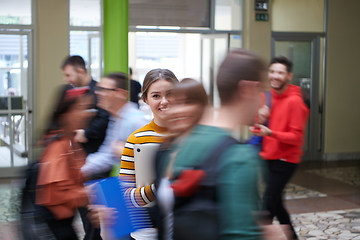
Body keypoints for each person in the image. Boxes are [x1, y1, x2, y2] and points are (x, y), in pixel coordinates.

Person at [155, 49, 266, 240]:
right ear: (248, 89)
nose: (263, 105)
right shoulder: (239, 157)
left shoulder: (183, 144)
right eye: (261, 92)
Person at [252, 56, 309, 240]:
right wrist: (259, 121)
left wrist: (271, 133)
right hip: (268, 157)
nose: (275, 76)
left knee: (267, 205)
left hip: (286, 160)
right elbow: (255, 128)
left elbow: (296, 138)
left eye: (280, 72)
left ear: (289, 76)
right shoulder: (266, 97)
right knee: (277, 204)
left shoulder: (295, 102)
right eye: (272, 71)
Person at [119, 69, 179, 240]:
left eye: (170, 94)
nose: (164, 101)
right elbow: (126, 196)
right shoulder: (135, 139)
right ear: (145, 99)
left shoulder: (190, 136)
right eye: (156, 96)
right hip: (148, 232)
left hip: (184, 228)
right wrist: (157, 188)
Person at [36, 87, 94, 240]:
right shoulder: (58, 146)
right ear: (65, 112)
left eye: (87, 108)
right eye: (80, 108)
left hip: (63, 220)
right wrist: (89, 194)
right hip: (55, 223)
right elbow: (57, 193)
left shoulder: (70, 140)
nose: (86, 114)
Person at [82, 72, 148, 179]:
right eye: (98, 89)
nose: (99, 93)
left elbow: (152, 158)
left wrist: (127, 154)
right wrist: (77, 168)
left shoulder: (136, 120)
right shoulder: (116, 118)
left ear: (122, 94)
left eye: (104, 90)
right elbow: (107, 154)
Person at [62, 55, 110, 155]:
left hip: (95, 151)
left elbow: (104, 117)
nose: (66, 79)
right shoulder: (74, 92)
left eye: (68, 75)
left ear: (80, 72)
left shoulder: (98, 91)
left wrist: (86, 133)